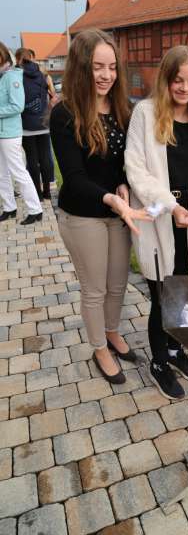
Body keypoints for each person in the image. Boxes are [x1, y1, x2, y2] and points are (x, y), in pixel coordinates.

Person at [50, 28, 152, 385]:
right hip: (82, 214)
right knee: (94, 287)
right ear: (81, 67)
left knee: (118, 283)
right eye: (97, 67)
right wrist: (110, 198)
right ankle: (99, 347)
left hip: (116, 212)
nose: (106, 75)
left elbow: (123, 163)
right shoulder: (64, 114)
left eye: (111, 67)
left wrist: (123, 183)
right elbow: (74, 178)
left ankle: (111, 331)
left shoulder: (123, 109)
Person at [125, 45, 188, 400]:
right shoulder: (145, 114)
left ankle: (177, 351)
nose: (185, 88)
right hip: (159, 220)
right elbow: (136, 171)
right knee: (162, 296)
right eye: (178, 80)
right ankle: (160, 361)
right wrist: (170, 206)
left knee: (187, 294)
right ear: (166, 79)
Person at [0, 41, 43, 225]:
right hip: (2, 133)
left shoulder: (12, 77)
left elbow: (17, 106)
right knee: (1, 173)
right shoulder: (2, 76)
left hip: (10, 134)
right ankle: (9, 207)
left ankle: (36, 209)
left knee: (18, 172)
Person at [15, 48, 53, 200]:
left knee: (32, 160)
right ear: (31, 57)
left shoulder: (16, 75)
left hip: (26, 126)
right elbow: (53, 95)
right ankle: (48, 192)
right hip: (43, 124)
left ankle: (37, 193)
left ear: (18, 59)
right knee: (45, 158)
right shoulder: (44, 74)